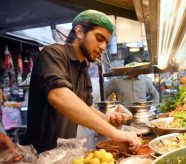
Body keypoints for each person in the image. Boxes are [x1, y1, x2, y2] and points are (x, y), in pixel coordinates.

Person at [22, 10, 141, 153]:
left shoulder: (83, 68)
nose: (103, 47)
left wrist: (107, 119)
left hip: (64, 153)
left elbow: (85, 106)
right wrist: (114, 133)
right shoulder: (52, 53)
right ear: (79, 32)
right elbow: (58, 96)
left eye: (106, 43)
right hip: (39, 155)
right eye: (99, 38)